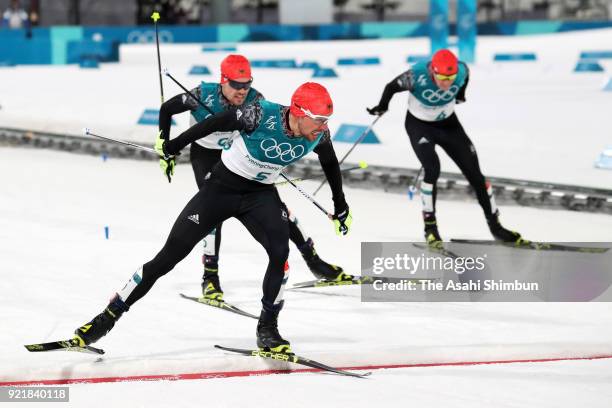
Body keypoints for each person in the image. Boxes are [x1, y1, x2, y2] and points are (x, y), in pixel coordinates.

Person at [74, 82, 352, 353]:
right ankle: (106, 318)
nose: (324, 126)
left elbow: (330, 164)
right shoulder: (259, 113)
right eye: (319, 119)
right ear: (299, 112)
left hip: (260, 195)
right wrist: (174, 144)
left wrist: (341, 206)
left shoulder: (318, 135)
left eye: (327, 120)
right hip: (222, 189)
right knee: (168, 257)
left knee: (280, 253)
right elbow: (213, 123)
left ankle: (268, 329)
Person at [158, 55, 350, 303]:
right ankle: (210, 277)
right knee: (211, 215)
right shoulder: (202, 94)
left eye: (247, 84)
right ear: (223, 80)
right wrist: (165, 144)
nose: (242, 90)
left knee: (279, 211)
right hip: (206, 155)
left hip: (242, 157)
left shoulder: (256, 100)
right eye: (236, 85)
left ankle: (314, 260)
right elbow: (167, 109)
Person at [367, 49, 522, 246]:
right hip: (420, 126)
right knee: (432, 169)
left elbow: (465, 78)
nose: (446, 82)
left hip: (449, 125)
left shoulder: (462, 71)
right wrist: (382, 106)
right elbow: (391, 87)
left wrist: (461, 95)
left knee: (475, 174)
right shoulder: (416, 75)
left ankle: (496, 226)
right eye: (441, 77)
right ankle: (430, 229)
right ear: (432, 71)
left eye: (450, 78)